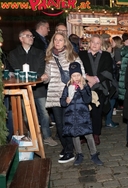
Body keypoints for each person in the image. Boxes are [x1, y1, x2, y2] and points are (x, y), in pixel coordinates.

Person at [41, 32, 85, 163]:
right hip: (55, 95)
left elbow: (80, 75)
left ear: (65, 42)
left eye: (60, 40)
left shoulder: (73, 57)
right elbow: (48, 76)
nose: (58, 42)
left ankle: (69, 151)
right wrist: (44, 77)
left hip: (68, 96)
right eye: (55, 40)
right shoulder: (50, 57)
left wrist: (73, 92)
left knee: (69, 123)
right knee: (59, 125)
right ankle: (66, 147)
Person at [8, 29, 57, 147]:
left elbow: (41, 69)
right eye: (28, 36)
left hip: (38, 88)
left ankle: (46, 136)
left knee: (44, 113)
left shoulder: (39, 52)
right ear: (21, 39)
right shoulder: (13, 54)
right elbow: (16, 69)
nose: (31, 38)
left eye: (32, 36)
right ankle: (31, 135)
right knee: (26, 115)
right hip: (23, 89)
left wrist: (35, 77)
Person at [60, 62, 103, 166]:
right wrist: (66, 101)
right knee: (75, 136)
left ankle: (94, 154)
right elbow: (62, 102)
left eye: (78, 75)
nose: (76, 78)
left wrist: (83, 90)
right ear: (70, 76)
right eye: (74, 76)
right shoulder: (67, 87)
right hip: (72, 116)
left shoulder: (85, 86)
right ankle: (79, 154)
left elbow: (88, 99)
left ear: (81, 75)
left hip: (83, 116)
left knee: (88, 135)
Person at [78, 34, 115, 144]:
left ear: (101, 45)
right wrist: (87, 78)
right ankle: (84, 135)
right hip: (84, 86)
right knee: (84, 112)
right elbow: (78, 68)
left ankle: (95, 134)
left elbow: (109, 71)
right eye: (93, 42)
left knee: (96, 112)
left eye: (97, 43)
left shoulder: (106, 55)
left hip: (100, 87)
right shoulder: (81, 54)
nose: (95, 45)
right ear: (89, 43)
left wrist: (96, 79)